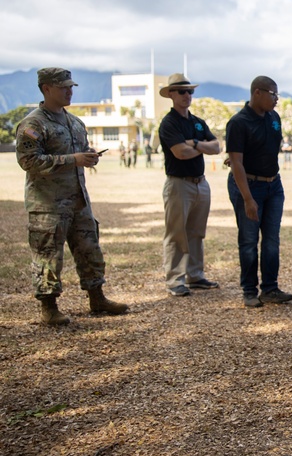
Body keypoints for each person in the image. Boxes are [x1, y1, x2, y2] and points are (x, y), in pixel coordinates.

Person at [15, 67, 129, 325]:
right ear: (46, 89)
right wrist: (74, 159)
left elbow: (78, 154)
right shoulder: (33, 124)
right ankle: (49, 307)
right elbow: (28, 161)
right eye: (63, 87)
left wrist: (88, 156)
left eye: (71, 86)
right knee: (48, 256)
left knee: (90, 249)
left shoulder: (75, 123)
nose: (70, 91)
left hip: (78, 200)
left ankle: (97, 296)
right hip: (48, 204)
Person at [225, 76, 292, 308]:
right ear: (257, 93)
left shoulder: (274, 118)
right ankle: (249, 290)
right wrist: (247, 199)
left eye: (277, 95)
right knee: (248, 240)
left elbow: (267, 149)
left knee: (272, 240)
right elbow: (236, 163)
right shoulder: (238, 122)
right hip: (249, 186)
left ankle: (270, 288)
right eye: (273, 94)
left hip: (273, 185)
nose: (276, 99)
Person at [157, 73, 222, 298]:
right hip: (178, 184)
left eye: (190, 91)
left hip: (200, 183)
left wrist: (194, 143)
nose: (187, 95)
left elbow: (216, 148)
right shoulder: (169, 123)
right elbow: (180, 153)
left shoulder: (197, 122)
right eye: (182, 92)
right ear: (171, 94)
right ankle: (175, 279)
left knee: (196, 232)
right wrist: (201, 147)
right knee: (176, 234)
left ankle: (195, 275)